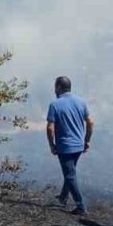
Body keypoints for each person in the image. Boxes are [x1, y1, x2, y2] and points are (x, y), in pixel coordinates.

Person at [47, 76, 93, 215]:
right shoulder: (81, 102)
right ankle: (63, 197)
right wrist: (87, 140)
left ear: (59, 87)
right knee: (70, 172)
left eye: (56, 87)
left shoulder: (55, 104)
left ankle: (81, 205)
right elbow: (90, 122)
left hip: (65, 147)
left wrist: (52, 145)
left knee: (70, 175)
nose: (54, 90)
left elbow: (50, 128)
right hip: (78, 145)